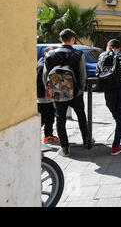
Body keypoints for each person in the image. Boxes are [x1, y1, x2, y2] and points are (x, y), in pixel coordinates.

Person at [43, 29, 91, 157]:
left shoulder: (50, 55)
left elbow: (45, 76)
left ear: (60, 39)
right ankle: (86, 141)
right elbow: (82, 75)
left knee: (60, 119)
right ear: (73, 39)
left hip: (58, 93)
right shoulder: (78, 54)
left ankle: (65, 148)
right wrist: (80, 90)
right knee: (81, 115)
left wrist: (51, 91)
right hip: (76, 92)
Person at [37, 46, 59, 144]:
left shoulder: (48, 64)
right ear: (46, 53)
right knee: (42, 118)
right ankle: (35, 139)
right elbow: (38, 81)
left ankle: (48, 136)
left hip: (49, 95)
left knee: (50, 117)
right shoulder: (41, 65)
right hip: (43, 96)